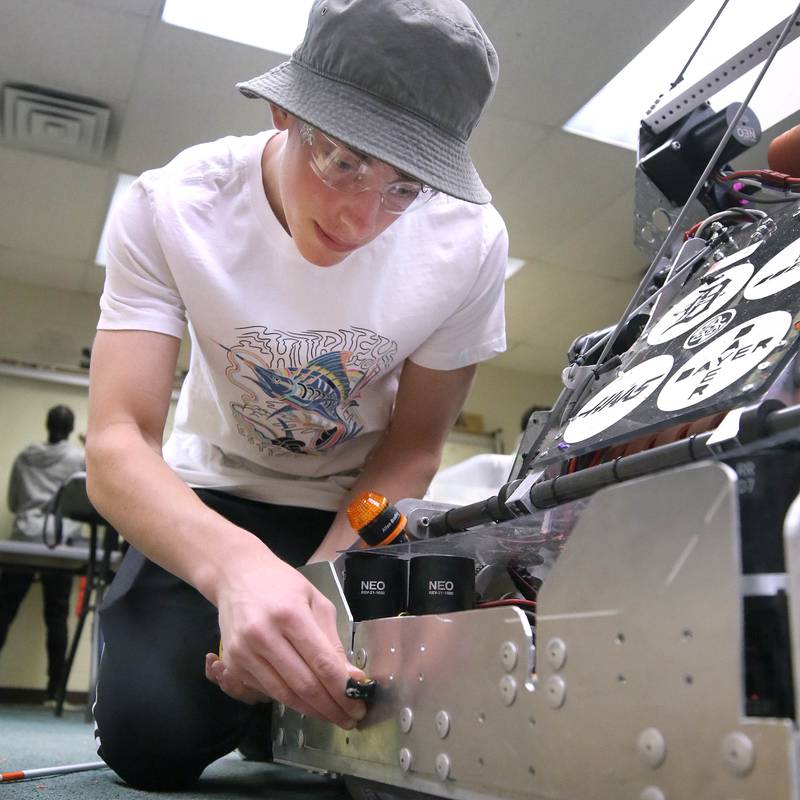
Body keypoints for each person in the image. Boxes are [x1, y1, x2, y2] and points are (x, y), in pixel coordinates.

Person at [87, 0, 507, 789]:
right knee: (151, 743)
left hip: (356, 509)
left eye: (404, 186)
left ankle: (265, 710)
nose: (361, 217)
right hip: (210, 498)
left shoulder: (472, 244)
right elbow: (116, 444)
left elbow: (414, 447)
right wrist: (240, 573)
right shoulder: (172, 205)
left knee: (408, 730)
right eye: (343, 160)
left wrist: (319, 589)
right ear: (284, 108)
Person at [1, 405, 85, 705]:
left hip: (22, 540)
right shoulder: (78, 458)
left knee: (4, 614)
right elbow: (87, 501)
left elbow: (13, 502)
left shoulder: (25, 456)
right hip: (56, 543)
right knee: (56, 617)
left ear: (47, 424)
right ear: (71, 426)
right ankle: (54, 694)